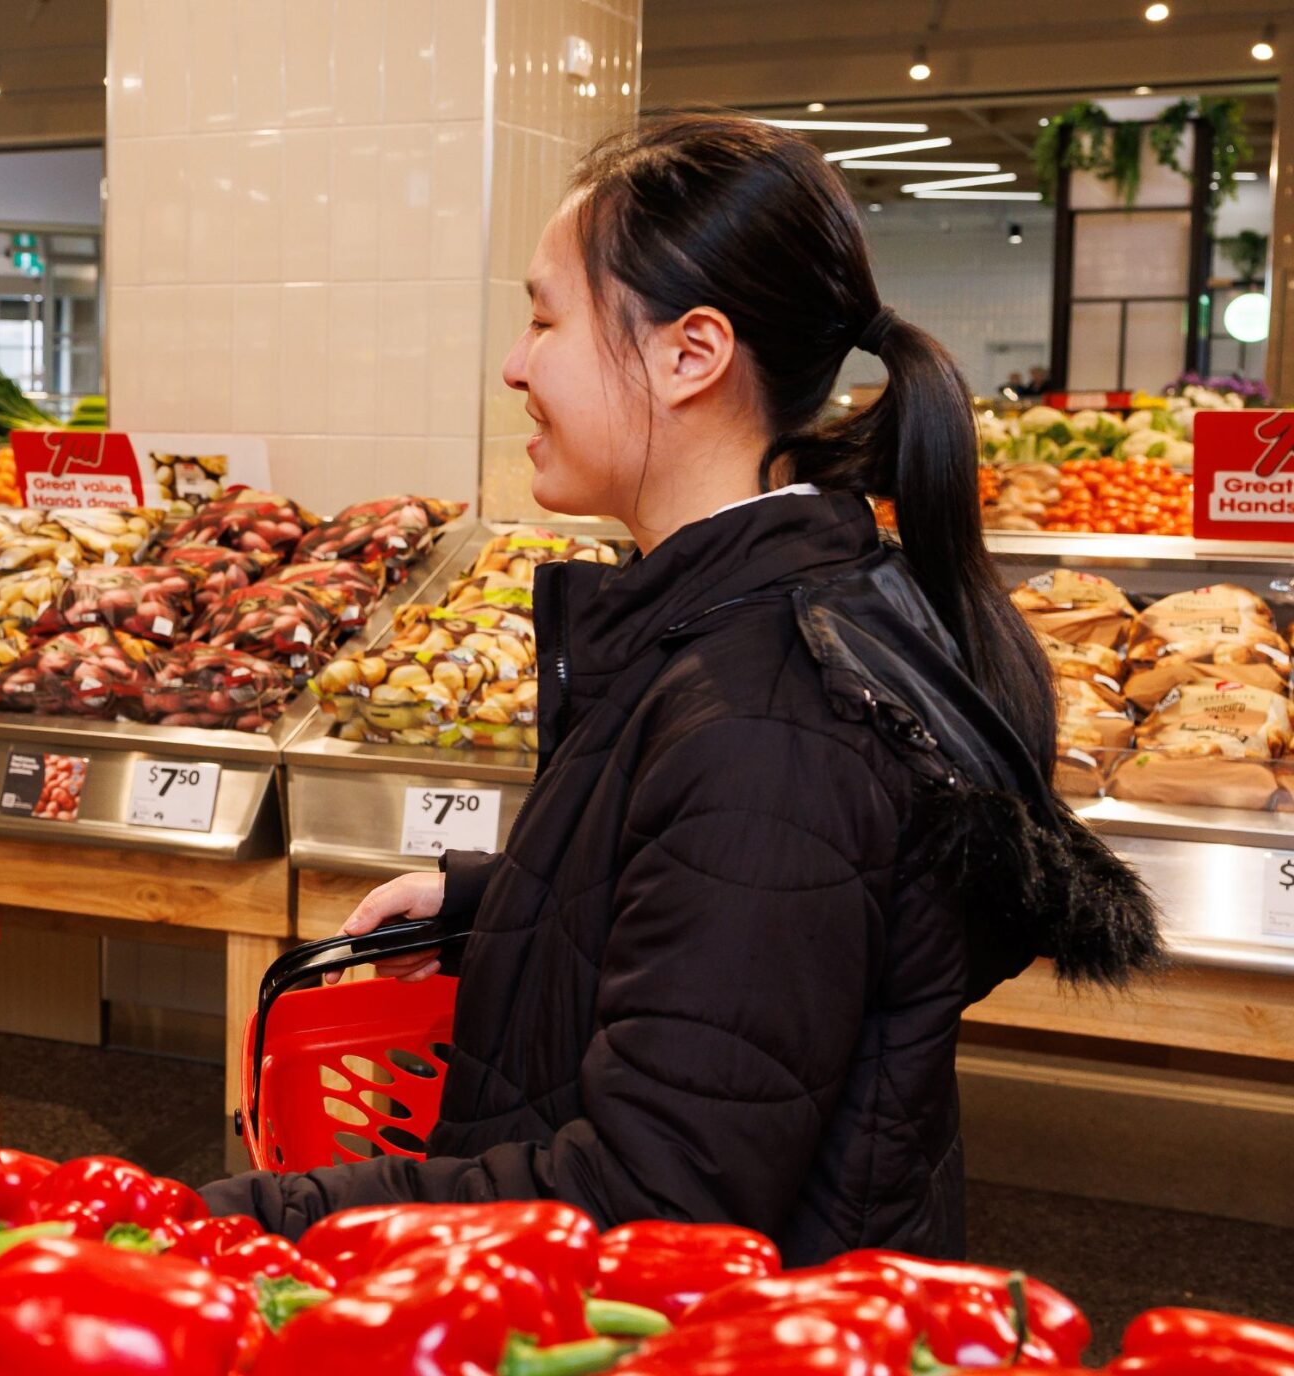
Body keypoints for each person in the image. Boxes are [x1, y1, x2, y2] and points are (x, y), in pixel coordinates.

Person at [203, 112, 1160, 1263]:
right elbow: (747, 898)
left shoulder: (768, 713)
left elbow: (656, 1195)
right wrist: (501, 899)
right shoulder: (737, 625)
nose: (515, 363)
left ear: (689, 354)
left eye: (545, 317)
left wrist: (259, 1218)